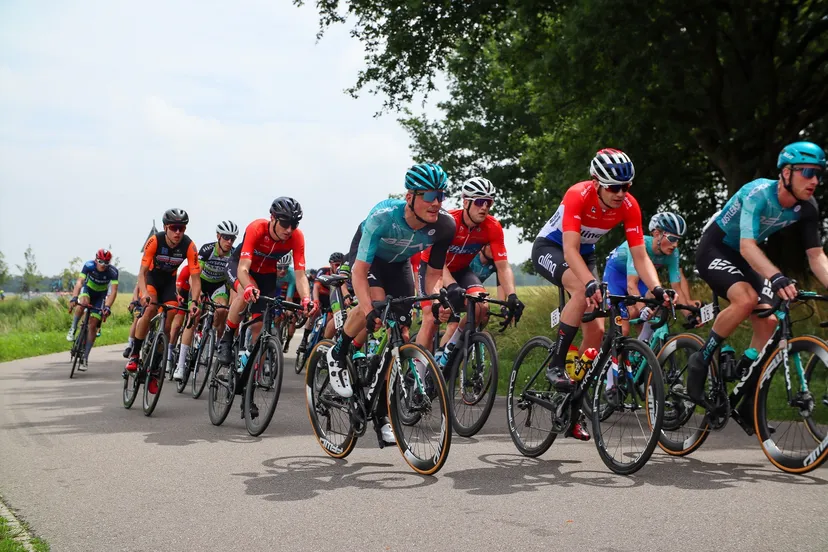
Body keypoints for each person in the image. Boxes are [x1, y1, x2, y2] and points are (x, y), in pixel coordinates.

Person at [531, 148, 677, 440]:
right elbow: (570, 249)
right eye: (613, 187)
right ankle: (556, 365)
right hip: (552, 247)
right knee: (579, 291)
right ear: (596, 182)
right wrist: (588, 283)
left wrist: (658, 287)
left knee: (596, 331)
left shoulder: (629, 205)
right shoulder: (577, 195)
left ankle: (571, 401)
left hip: (586, 254)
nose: (621, 193)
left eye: (626, 186)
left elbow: (640, 256)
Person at [687, 141, 827, 415]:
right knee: (746, 299)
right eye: (807, 172)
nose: (814, 180)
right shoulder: (757, 194)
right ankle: (700, 360)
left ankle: (744, 380)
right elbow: (747, 246)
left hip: (743, 257)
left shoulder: (808, 207)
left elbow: (816, 256)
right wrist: (776, 277)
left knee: (769, 321)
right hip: (715, 249)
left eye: (819, 174)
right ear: (786, 173)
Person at [326, 162, 456, 445]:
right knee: (373, 304)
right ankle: (339, 351)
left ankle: (382, 414)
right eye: (429, 196)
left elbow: (433, 273)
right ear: (410, 197)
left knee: (401, 337)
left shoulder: (445, 226)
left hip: (399, 266)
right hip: (370, 261)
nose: (436, 203)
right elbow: (359, 272)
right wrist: (371, 309)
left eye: (441, 196)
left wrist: (435, 300)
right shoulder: (383, 218)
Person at [417, 177, 524, 360]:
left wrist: (512, 295)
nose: (484, 207)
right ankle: (416, 373)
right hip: (433, 270)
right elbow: (437, 263)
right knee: (432, 319)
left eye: (489, 203)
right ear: (466, 202)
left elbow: (503, 266)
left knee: (481, 307)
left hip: (461, 270)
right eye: (480, 202)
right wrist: (450, 286)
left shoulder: (492, 227)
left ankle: (448, 351)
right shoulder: (448, 222)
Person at [216, 198, 314, 377]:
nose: (289, 230)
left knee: (260, 326)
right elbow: (243, 269)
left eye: (294, 224)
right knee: (244, 294)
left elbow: (300, 275)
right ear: (273, 218)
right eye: (285, 223)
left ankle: (251, 379)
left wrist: (307, 298)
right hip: (240, 267)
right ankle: (227, 338)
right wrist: (247, 287)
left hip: (267, 275)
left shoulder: (296, 237)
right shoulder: (256, 229)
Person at [125, 209, 201, 395]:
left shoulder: (189, 246)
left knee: (168, 324)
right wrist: (144, 293)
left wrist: (194, 302)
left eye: (181, 228)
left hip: (168, 282)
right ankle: (135, 353)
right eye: (174, 228)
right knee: (150, 309)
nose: (178, 232)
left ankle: (155, 369)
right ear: (166, 227)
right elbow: (142, 273)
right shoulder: (155, 241)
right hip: (151, 278)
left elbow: (196, 278)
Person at [604, 212, 701, 339]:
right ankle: (610, 353)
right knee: (624, 329)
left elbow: (676, 288)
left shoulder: (673, 253)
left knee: (659, 301)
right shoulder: (639, 245)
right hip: (616, 277)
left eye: (678, 240)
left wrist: (689, 315)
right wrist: (642, 308)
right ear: (657, 234)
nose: (675, 244)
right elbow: (631, 284)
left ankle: (641, 351)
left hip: (640, 279)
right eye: (672, 239)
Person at [172, 220, 238, 380]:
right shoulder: (207, 250)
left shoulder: (234, 254)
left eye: (232, 239)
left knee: (223, 310)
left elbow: (234, 281)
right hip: (201, 282)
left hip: (218, 286)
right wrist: (198, 292)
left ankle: (213, 339)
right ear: (218, 236)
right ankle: (180, 366)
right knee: (193, 317)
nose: (229, 242)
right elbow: (195, 274)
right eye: (226, 237)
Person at [66, 249, 119, 369]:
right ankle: (73, 328)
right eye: (100, 261)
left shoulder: (113, 272)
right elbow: (79, 282)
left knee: (93, 325)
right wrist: (74, 297)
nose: (102, 265)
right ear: (96, 259)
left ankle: (85, 357)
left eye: (106, 262)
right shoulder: (88, 265)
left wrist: (108, 307)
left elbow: (114, 291)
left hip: (100, 296)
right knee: (83, 303)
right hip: (88, 290)